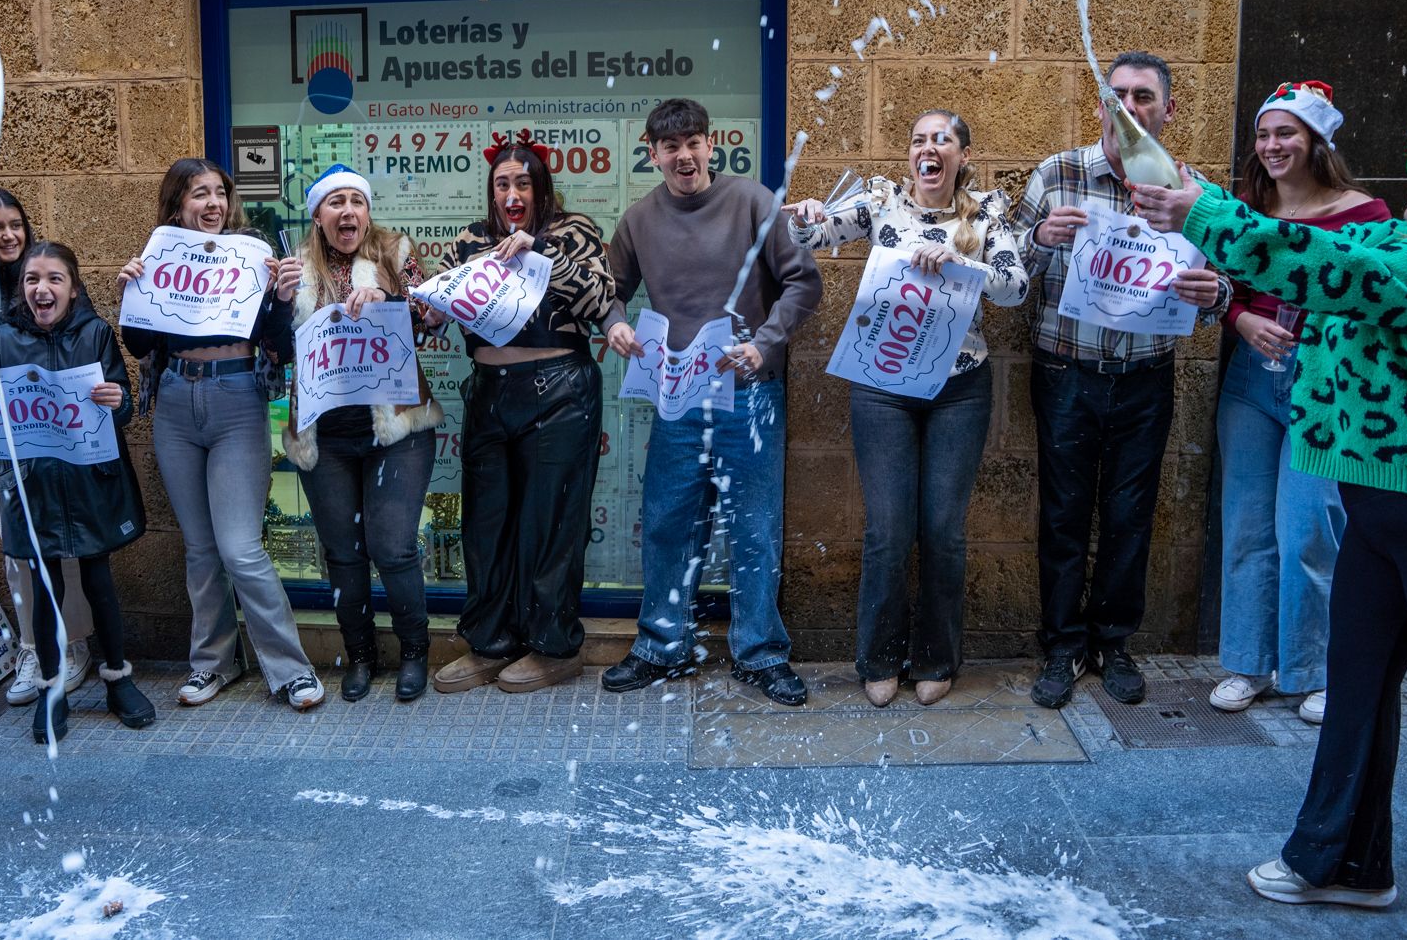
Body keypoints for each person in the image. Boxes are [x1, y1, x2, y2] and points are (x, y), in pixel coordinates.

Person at [1132, 136, 1407, 911]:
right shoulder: (1395, 232)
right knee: (1355, 693)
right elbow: (1322, 247)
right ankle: (1342, 864)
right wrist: (1203, 205)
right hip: (1374, 507)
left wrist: (1206, 212)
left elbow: (1338, 272)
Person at [784, 111, 1029, 706]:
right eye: (919, 140)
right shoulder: (881, 202)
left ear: (962, 156)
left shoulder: (986, 213)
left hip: (959, 390)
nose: (929, 149)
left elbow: (1015, 288)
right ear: (910, 156)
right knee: (888, 530)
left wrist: (958, 265)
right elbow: (810, 238)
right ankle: (877, 658)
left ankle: (936, 659)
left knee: (942, 531)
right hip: (883, 385)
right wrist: (811, 214)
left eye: (942, 139)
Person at [1012, 51, 1231, 711]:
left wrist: (1212, 292)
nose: (1129, 108)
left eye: (1143, 97)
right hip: (1064, 373)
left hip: (1145, 379)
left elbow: (1224, 291)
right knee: (1062, 515)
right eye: (1118, 96)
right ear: (1101, 105)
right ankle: (1061, 647)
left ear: (1167, 111)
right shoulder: (1057, 175)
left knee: (1131, 517)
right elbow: (1003, 275)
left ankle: (1113, 643)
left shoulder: (1194, 193)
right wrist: (1040, 239)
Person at [600, 98, 821, 706]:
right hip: (676, 397)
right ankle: (660, 647)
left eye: (693, 142)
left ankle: (760, 654)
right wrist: (615, 322)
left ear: (710, 144)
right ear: (652, 154)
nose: (683, 156)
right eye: (670, 147)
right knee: (669, 524)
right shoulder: (638, 219)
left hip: (749, 395)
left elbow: (805, 282)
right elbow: (609, 290)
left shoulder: (754, 201)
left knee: (754, 528)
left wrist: (764, 344)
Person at [1205, 82, 1387, 725]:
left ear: (1316, 141)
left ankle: (1315, 670)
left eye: (1286, 133)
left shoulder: (1366, 215)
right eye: (1263, 135)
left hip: (1326, 389)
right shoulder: (1247, 207)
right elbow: (1223, 284)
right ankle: (1248, 663)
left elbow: (1374, 302)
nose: (1272, 146)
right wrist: (1237, 318)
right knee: (1248, 528)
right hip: (1253, 382)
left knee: (1310, 532)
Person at [0, 241, 155, 743]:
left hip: (89, 483)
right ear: (21, 289)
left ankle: (118, 679)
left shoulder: (97, 334)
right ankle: (53, 689)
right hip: (33, 487)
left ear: (73, 289)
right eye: (33, 279)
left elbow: (119, 405)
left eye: (55, 278)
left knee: (99, 584)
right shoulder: (1, 339)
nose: (42, 287)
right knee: (46, 590)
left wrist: (118, 400)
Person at [119, 159, 323, 712]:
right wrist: (133, 292)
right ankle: (213, 664)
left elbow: (277, 344)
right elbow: (138, 345)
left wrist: (281, 300)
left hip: (236, 400)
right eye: (197, 194)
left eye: (218, 193)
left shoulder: (250, 252)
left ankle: (291, 670)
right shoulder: (160, 257)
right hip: (178, 404)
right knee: (202, 549)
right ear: (177, 205)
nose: (211, 203)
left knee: (240, 548)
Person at [427, 131, 614, 695]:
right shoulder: (470, 240)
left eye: (522, 182)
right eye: (502, 183)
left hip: (560, 390)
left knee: (551, 523)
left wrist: (536, 251)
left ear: (540, 188)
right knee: (486, 523)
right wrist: (426, 309)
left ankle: (553, 644)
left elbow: (599, 297)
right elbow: (434, 301)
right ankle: (491, 641)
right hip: (489, 391)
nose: (512, 192)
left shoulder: (572, 231)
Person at [273, 164, 442, 701]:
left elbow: (434, 311)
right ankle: (361, 655)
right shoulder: (293, 267)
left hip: (397, 427)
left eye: (357, 202)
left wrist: (390, 303)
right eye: (335, 203)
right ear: (318, 216)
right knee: (343, 552)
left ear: (368, 211)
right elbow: (275, 349)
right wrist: (276, 304)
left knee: (393, 548)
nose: (348, 211)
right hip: (326, 435)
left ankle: (415, 653)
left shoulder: (395, 253)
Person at [0, 188, 96, 707]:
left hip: (57, 434)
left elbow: (84, 337)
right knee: (20, 554)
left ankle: (75, 646)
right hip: (1, 437)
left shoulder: (50, 269)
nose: (8, 235)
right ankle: (32, 647)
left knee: (68, 545)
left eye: (15, 224)